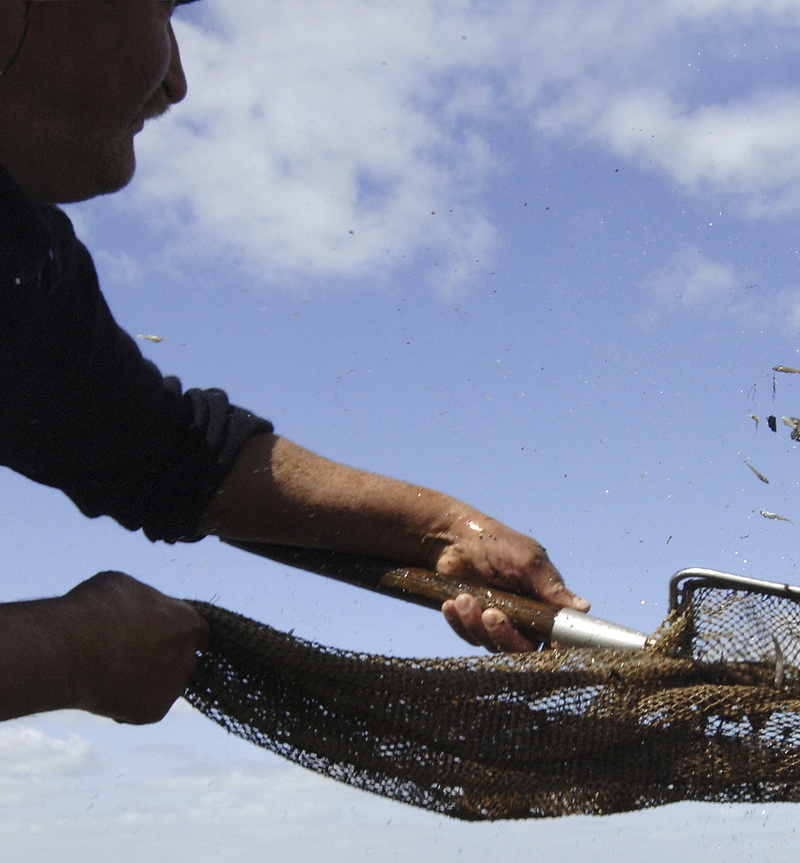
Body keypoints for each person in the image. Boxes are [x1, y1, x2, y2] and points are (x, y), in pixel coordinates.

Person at [0, 1, 588, 725]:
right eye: (160, 8)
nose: (176, 81)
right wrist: (76, 652)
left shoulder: (25, 268)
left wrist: (446, 529)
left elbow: (171, 460)